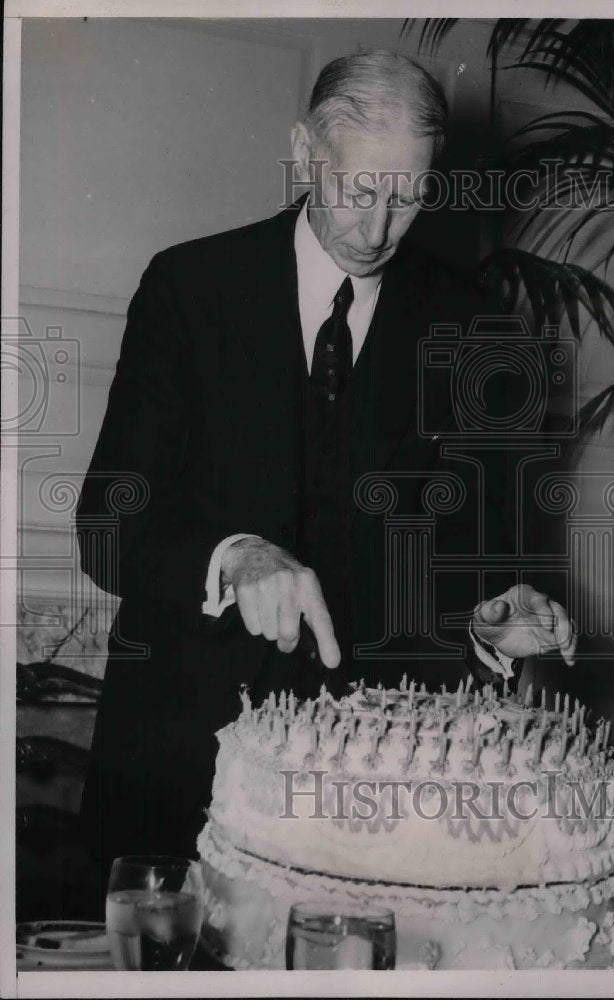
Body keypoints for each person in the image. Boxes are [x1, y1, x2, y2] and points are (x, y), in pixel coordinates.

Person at [76, 49, 576, 886]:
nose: (378, 229)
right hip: (171, 782)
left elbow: (474, 564)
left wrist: (487, 621)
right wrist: (234, 556)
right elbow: (106, 526)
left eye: (409, 197)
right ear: (305, 154)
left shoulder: (479, 331)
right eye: (358, 190)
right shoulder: (189, 289)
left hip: (370, 801)